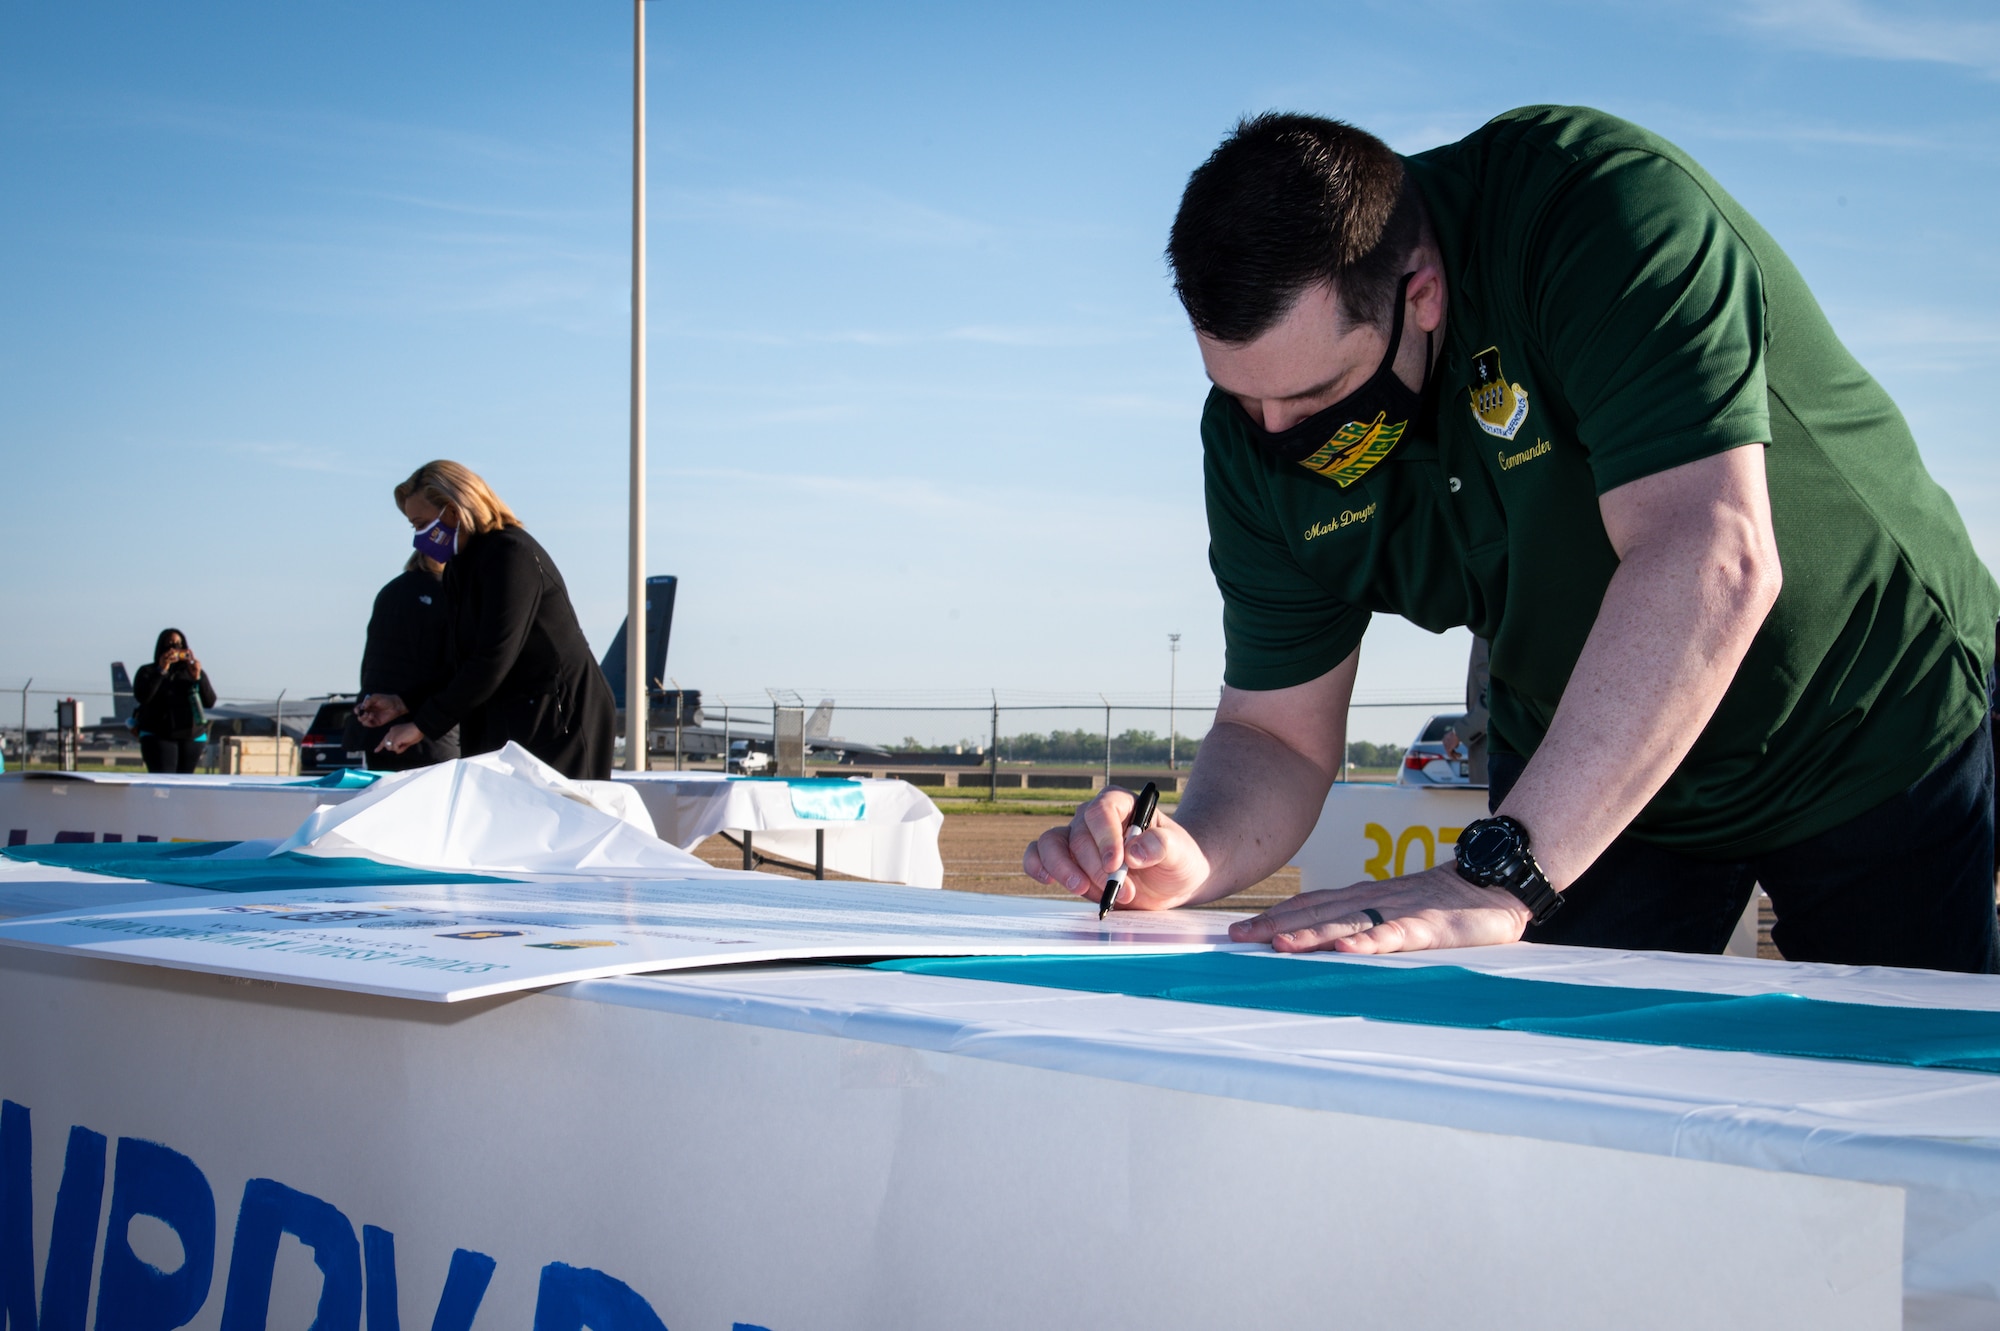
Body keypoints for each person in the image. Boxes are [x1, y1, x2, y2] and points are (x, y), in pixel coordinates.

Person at [1026, 107, 2000, 974]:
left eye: (1318, 396)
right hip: (1592, 754)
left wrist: (1504, 872)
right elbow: (1274, 730)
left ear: (1421, 294)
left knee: (1905, 1083)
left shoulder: (1593, 213)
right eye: (1243, 396)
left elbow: (1706, 552)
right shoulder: (1254, 443)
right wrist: (1188, 849)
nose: (1279, 434)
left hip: (1860, 708)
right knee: (1570, 1104)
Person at [353, 460, 616, 780]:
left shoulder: (511, 554)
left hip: (557, 717)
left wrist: (423, 725)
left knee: (555, 821)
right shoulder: (459, 568)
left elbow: (493, 657)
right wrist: (404, 703)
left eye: (420, 524)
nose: (418, 538)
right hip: (508, 711)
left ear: (453, 510)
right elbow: (460, 662)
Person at [345, 553, 461, 771]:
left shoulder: (389, 592)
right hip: (429, 733)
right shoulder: (450, 594)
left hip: (377, 729)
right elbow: (456, 669)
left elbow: (371, 662)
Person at [131, 628, 217, 774]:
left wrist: (197, 677)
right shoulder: (147, 671)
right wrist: (161, 671)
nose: (174, 649)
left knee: (184, 784)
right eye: (170, 644)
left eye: (178, 644)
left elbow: (209, 701)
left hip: (191, 735)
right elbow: (143, 697)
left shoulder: (191, 671)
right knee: (163, 783)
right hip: (157, 734)